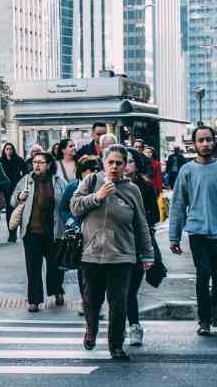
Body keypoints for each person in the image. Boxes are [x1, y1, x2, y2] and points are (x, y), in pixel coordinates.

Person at [71, 144, 154, 360]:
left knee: (118, 302)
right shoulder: (91, 181)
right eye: (111, 162)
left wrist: (147, 254)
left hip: (121, 255)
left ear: (125, 166)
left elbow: (141, 224)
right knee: (91, 299)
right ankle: (91, 330)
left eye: (119, 163)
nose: (115, 167)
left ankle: (116, 345)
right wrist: (97, 196)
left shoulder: (132, 189)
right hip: (91, 252)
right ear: (103, 164)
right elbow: (74, 206)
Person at [169, 125, 217, 335]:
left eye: (208, 140)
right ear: (194, 144)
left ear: (214, 141)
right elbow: (178, 204)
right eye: (201, 140)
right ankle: (204, 320)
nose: (205, 144)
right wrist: (174, 236)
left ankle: (215, 316)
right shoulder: (187, 170)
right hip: (197, 232)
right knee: (203, 274)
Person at [11, 152, 67, 312]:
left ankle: (57, 290)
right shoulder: (26, 180)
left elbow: (67, 201)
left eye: (41, 162)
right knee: (33, 268)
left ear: (49, 165)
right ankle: (34, 300)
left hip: (54, 232)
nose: (36, 165)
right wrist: (19, 196)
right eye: (34, 162)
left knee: (55, 266)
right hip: (31, 232)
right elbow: (12, 200)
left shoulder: (58, 181)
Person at [124, 147, 160, 346]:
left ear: (136, 165)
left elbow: (154, 215)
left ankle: (134, 326)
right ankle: (119, 326)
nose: (125, 165)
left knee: (130, 290)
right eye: (123, 161)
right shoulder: (110, 185)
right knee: (117, 290)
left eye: (129, 161)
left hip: (137, 245)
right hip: (116, 246)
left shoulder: (145, 187)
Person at [58, 155, 101, 316]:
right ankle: (86, 302)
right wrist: (71, 223)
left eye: (97, 169)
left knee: (98, 270)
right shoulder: (73, 187)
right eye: (92, 170)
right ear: (83, 172)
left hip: (99, 234)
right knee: (84, 271)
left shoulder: (101, 186)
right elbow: (63, 209)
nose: (95, 173)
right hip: (80, 235)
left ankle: (96, 303)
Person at [0, 142, 29, 242]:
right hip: (6, 188)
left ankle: (17, 231)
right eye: (7, 149)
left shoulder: (18, 160)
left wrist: (21, 182)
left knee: (18, 209)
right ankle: (11, 233)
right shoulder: (0, 161)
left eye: (10, 149)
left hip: (17, 187)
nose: (9, 151)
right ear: (4, 150)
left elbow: (26, 173)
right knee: (9, 211)